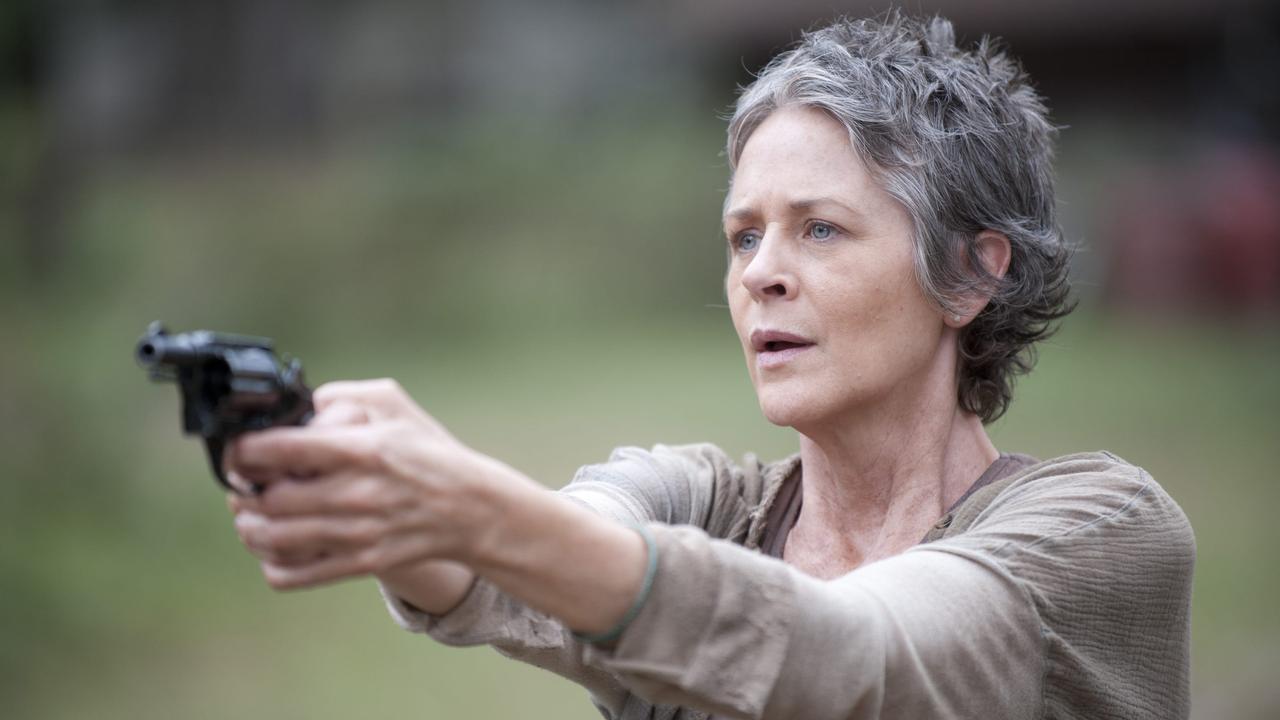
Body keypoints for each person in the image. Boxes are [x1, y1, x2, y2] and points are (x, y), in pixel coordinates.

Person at [225, 12, 1195, 720]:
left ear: (970, 273)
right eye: (743, 236)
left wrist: (468, 505)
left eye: (820, 228)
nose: (761, 273)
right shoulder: (692, 502)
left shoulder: (1100, 536)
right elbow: (511, 577)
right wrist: (374, 497)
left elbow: (857, 657)